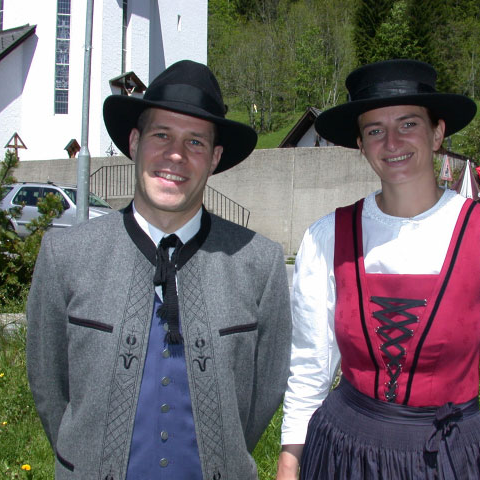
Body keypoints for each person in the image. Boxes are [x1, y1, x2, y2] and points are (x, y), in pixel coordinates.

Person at [276, 60, 480, 480]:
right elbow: (310, 363)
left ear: (437, 133)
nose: (392, 142)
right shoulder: (327, 236)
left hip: (448, 458)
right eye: (375, 131)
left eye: (408, 124)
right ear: (361, 144)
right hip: (343, 454)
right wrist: (289, 461)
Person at [26, 60, 292, 480]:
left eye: (195, 142)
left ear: (215, 158)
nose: (176, 155)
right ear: (134, 142)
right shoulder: (66, 255)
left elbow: (266, 389)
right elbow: (49, 386)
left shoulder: (259, 262)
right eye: (161, 135)